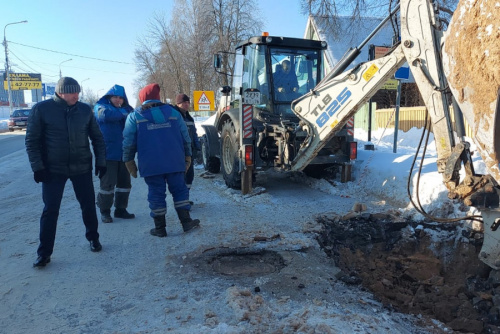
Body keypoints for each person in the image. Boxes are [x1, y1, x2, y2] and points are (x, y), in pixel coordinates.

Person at [25, 77, 107, 268]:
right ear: (61, 92)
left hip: (82, 167)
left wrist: (101, 162)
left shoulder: (85, 110)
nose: (76, 96)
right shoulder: (42, 109)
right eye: (73, 92)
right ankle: (44, 253)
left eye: (78, 92)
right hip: (53, 170)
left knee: (88, 205)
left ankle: (93, 238)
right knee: (50, 210)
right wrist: (37, 167)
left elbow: (97, 138)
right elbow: (32, 141)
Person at [122, 83, 200, 237]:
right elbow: (186, 137)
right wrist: (188, 155)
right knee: (179, 190)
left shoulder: (134, 116)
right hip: (175, 161)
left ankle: (160, 228)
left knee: (156, 193)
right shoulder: (173, 113)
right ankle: (186, 222)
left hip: (150, 164)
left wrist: (128, 160)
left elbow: (128, 141)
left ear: (142, 98)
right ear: (158, 97)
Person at [94, 85, 135, 223]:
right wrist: (124, 114)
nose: (118, 100)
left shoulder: (128, 109)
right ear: (109, 97)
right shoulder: (101, 106)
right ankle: (105, 211)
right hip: (108, 154)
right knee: (107, 185)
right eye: (115, 97)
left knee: (124, 184)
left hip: (124, 153)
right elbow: (105, 115)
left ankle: (121, 209)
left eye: (120, 97)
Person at [174, 93, 201, 204]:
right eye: (183, 102)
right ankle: (181, 200)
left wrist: (197, 146)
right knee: (181, 177)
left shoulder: (189, 117)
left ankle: (185, 198)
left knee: (189, 177)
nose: (186, 104)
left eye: (187, 102)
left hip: (189, 151)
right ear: (177, 104)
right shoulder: (174, 116)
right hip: (179, 152)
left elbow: (194, 133)